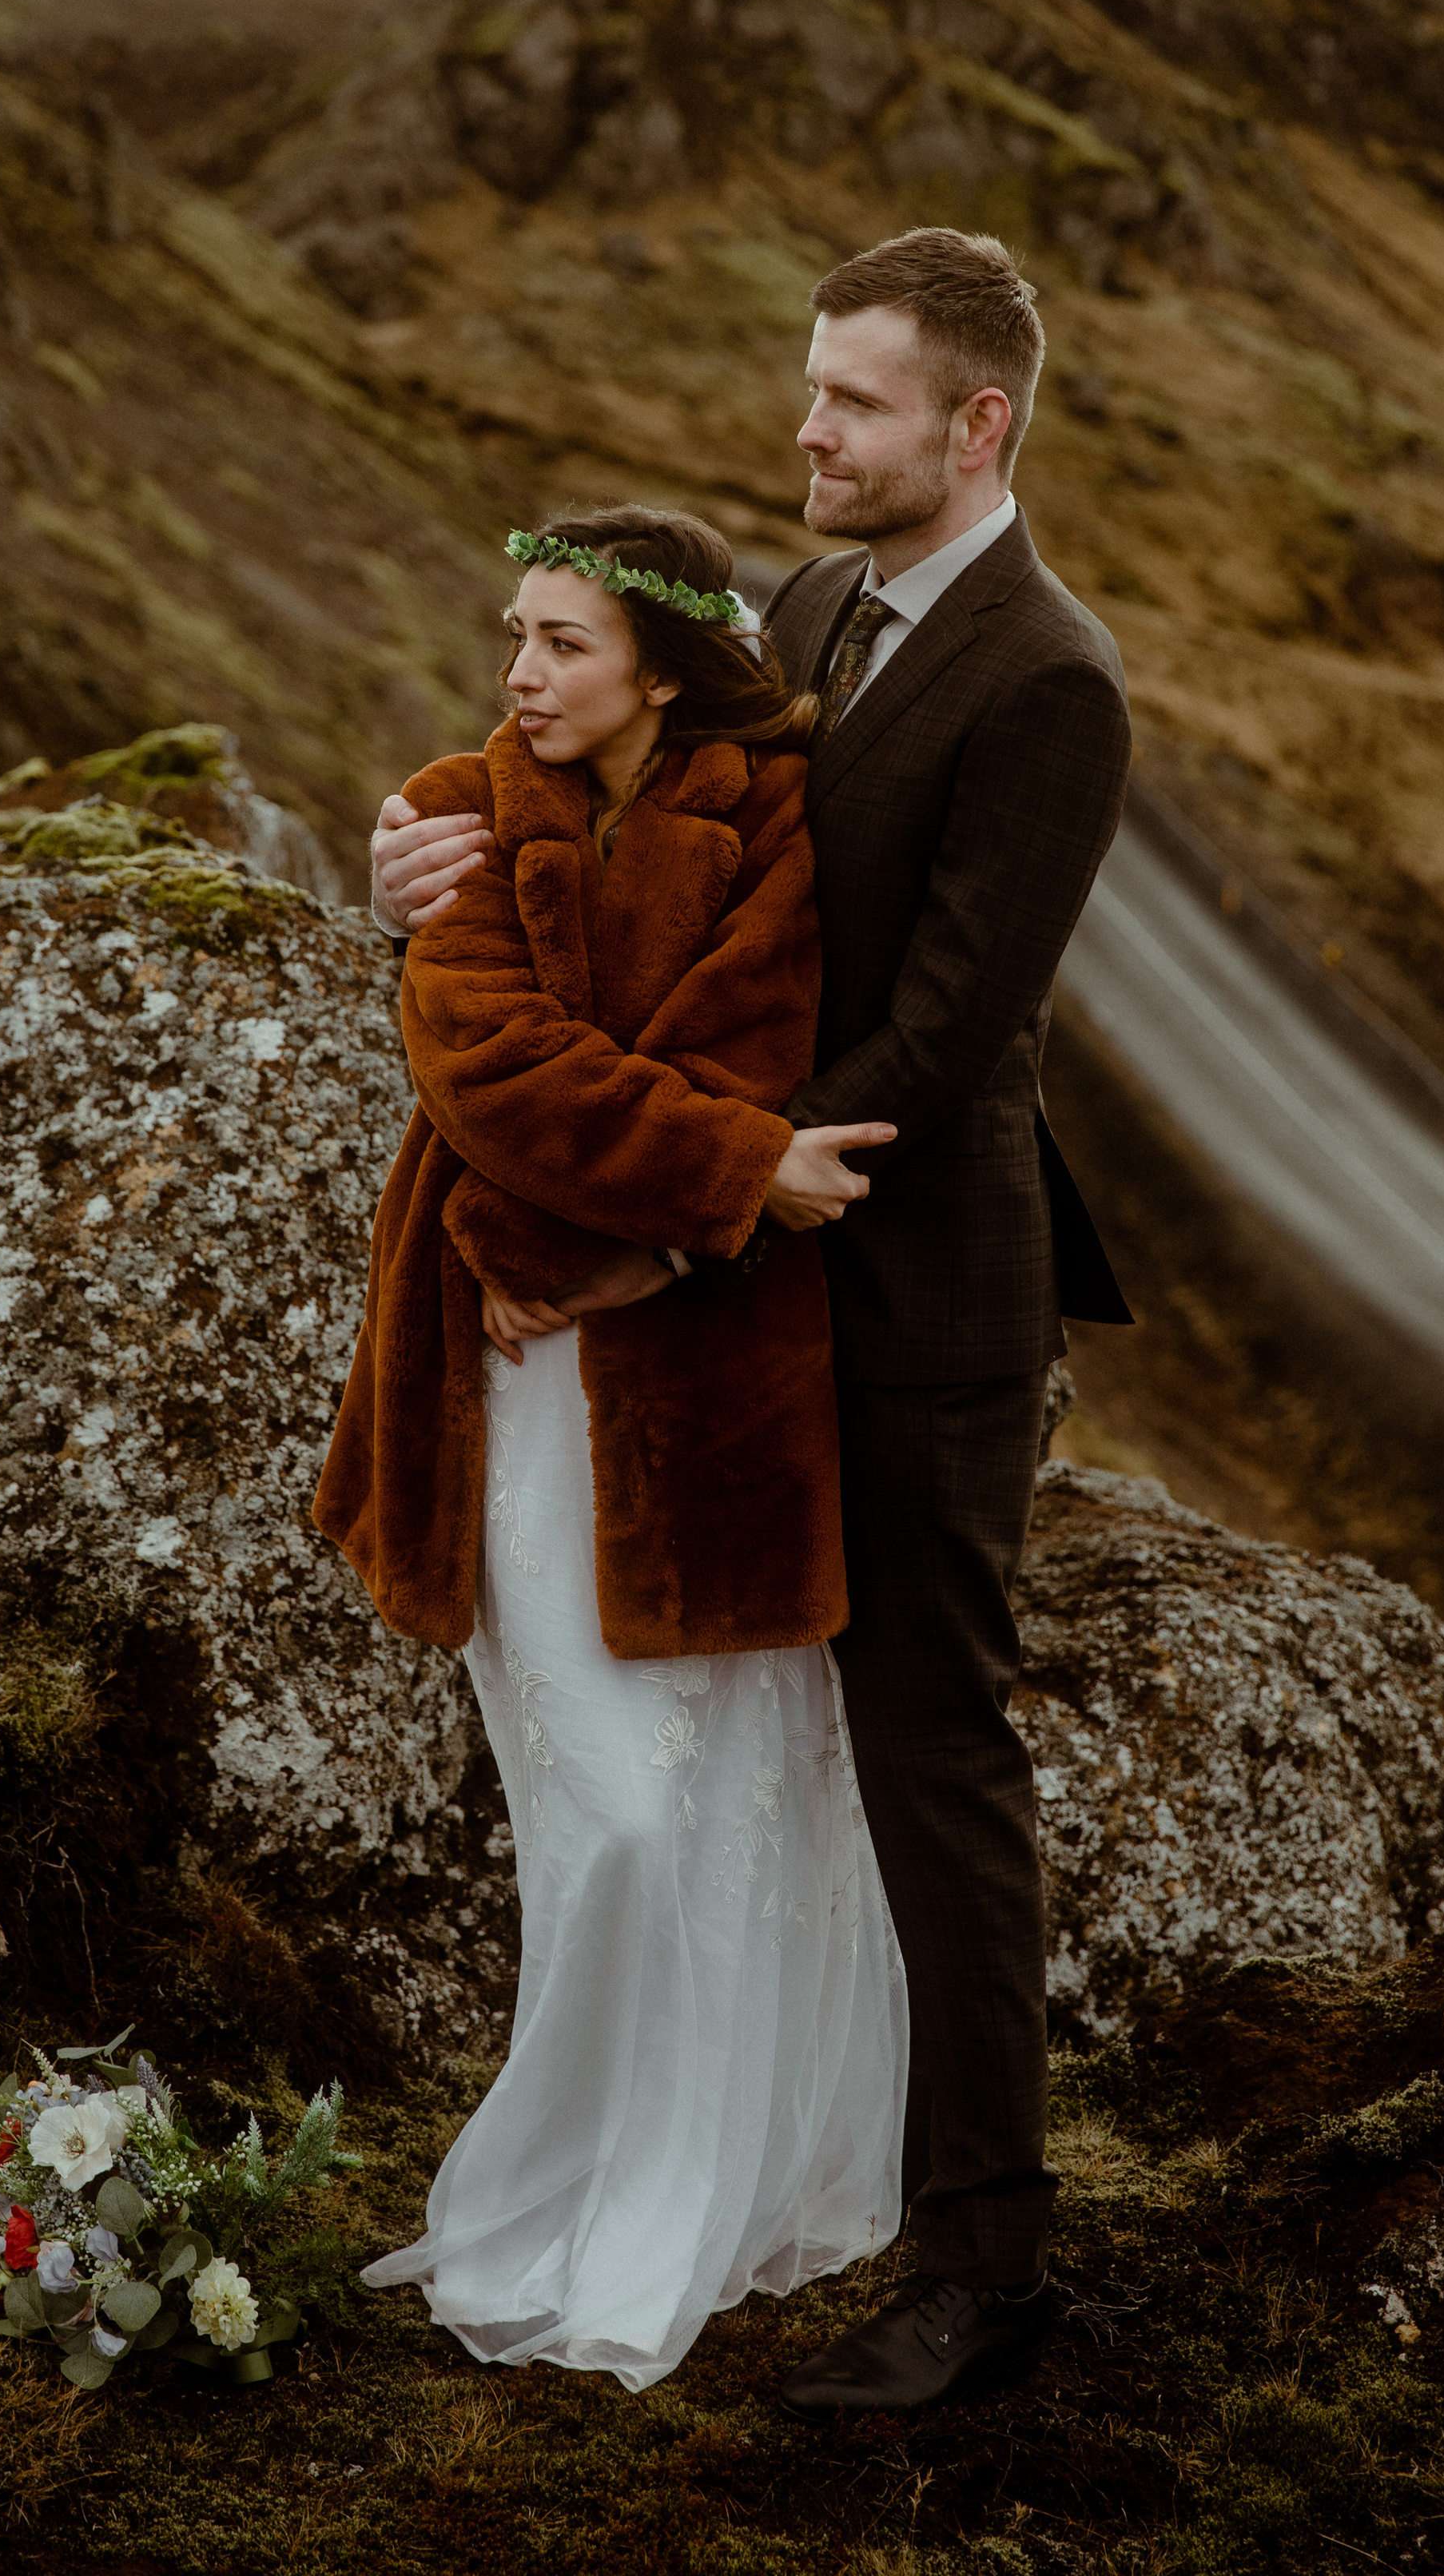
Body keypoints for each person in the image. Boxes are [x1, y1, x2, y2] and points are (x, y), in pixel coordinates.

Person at [370, 228, 1134, 2421]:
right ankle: (785, 2153)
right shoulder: (801, 611)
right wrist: (417, 840)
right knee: (765, 1758)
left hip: (917, 1295)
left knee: (930, 1750)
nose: (806, 432)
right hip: (759, 1291)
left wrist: (673, 1216)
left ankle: (992, 2266)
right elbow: (595, 767)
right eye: (810, 391)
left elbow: (941, 1021)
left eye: (856, 405)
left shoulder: (1048, 678)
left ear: (974, 428)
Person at [315, 507, 910, 2394]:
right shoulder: (457, 805)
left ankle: (695, 2193)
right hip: (495, 1378)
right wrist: (712, 1190)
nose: (516, 676)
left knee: (716, 1799)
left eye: (560, 643)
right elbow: (479, 1059)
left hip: (707, 1392)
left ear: (660, 663)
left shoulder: (778, 826)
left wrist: (624, 1235)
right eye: (512, 634)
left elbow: (755, 1043)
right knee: (599, 1811)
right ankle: (569, 2177)